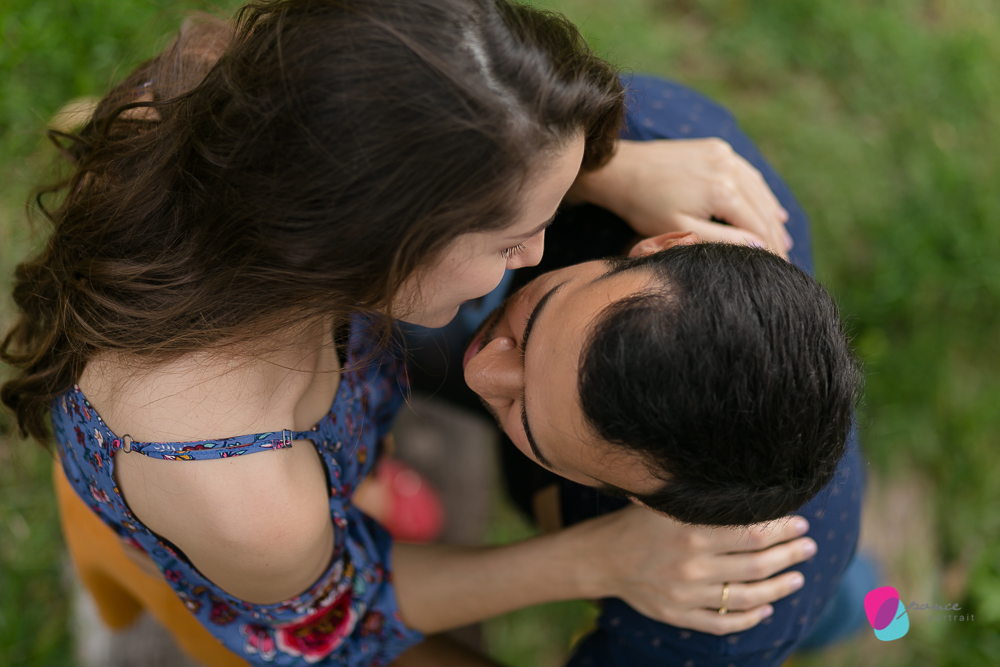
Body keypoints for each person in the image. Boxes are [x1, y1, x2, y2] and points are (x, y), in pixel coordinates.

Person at [1, 1, 816, 666]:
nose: (533, 255)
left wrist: (613, 169)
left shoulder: (245, 118)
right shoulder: (247, 493)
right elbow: (334, 623)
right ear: (369, 237)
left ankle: (358, 485)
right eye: (507, 241)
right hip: (247, 564)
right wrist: (598, 559)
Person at [403, 75, 873, 666]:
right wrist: (601, 166)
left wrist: (590, 560)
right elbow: (397, 78)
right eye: (534, 326)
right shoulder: (667, 139)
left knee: (832, 595)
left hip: (790, 576)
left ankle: (850, 604)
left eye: (529, 419)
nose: (481, 372)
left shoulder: (716, 629)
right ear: (660, 246)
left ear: (653, 507)